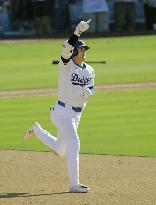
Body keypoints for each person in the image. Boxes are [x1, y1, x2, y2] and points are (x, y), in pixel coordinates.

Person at [24, 19, 95, 193]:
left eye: (85, 49)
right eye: (81, 48)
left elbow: (91, 88)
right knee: (74, 143)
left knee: (61, 150)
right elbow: (65, 48)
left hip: (76, 115)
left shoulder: (90, 70)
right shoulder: (66, 65)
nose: (84, 51)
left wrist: (89, 92)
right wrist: (77, 32)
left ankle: (37, 130)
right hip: (62, 112)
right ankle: (74, 184)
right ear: (74, 51)